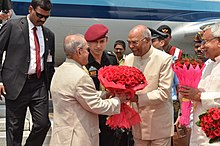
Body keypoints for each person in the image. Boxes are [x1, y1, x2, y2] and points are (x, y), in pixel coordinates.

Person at [49, 34, 127, 146]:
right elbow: (96, 106)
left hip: (63, 136)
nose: (88, 53)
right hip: (77, 138)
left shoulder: (61, 70)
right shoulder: (81, 76)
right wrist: (118, 100)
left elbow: (78, 95)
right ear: (79, 51)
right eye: (87, 50)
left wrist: (105, 94)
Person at [0, 0, 55, 146]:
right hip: (16, 84)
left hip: (38, 85)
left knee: (43, 124)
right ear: (30, 9)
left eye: (46, 17)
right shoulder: (12, 26)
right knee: (15, 129)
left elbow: (50, 63)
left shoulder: (49, 34)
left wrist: (49, 87)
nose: (42, 19)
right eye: (39, 15)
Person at [125, 25, 174, 146]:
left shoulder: (164, 59)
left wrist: (137, 98)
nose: (131, 46)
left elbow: (164, 93)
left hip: (159, 126)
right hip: (138, 125)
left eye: (134, 43)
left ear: (147, 41)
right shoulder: (129, 59)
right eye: (129, 42)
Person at [84, 24, 128, 146]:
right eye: (94, 42)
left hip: (110, 111)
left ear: (107, 40)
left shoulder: (112, 59)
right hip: (92, 111)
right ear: (88, 43)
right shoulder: (84, 61)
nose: (98, 46)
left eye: (102, 41)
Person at [179, 23, 220, 146]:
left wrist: (200, 96)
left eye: (205, 42)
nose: (202, 47)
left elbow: (200, 95)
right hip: (199, 132)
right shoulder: (208, 65)